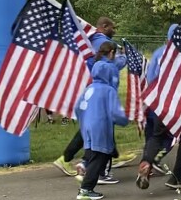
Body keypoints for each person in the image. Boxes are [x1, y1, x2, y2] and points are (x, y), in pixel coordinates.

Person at [53, 17, 131, 176]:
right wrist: (125, 56)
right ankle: (70, 159)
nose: (114, 31)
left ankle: (112, 155)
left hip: (91, 89)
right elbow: (113, 63)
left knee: (97, 125)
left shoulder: (90, 39)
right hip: (99, 90)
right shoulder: (101, 41)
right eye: (112, 27)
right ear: (104, 26)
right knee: (94, 126)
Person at [74, 61, 129, 200]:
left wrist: (84, 120)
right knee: (100, 157)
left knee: (93, 155)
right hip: (101, 127)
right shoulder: (108, 90)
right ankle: (86, 189)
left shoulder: (89, 88)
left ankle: (84, 168)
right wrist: (124, 120)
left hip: (86, 127)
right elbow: (116, 113)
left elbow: (77, 108)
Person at [144, 24, 179, 175]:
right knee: (172, 133)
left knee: (153, 134)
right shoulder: (177, 55)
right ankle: (156, 159)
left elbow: (150, 75)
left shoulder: (158, 52)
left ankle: (146, 161)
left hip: (153, 99)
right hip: (168, 101)